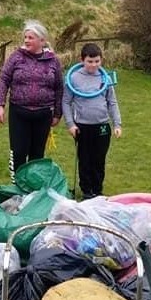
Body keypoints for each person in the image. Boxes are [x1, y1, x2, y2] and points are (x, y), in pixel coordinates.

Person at [0, 19, 63, 180]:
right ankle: (17, 185)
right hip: (19, 113)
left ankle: (33, 188)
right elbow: (4, 79)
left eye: (31, 37)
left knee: (37, 154)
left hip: (43, 114)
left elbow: (59, 87)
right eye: (25, 37)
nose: (26, 40)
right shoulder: (16, 57)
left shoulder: (53, 61)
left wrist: (57, 114)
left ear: (42, 40)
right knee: (18, 152)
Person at [62, 43, 122, 199]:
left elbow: (112, 102)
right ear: (82, 60)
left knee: (99, 160)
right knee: (85, 160)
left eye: (97, 61)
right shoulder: (74, 78)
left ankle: (98, 191)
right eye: (90, 61)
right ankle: (87, 191)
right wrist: (70, 124)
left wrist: (117, 124)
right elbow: (66, 102)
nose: (94, 65)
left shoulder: (105, 77)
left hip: (102, 126)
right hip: (82, 127)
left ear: (101, 60)